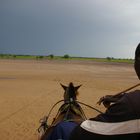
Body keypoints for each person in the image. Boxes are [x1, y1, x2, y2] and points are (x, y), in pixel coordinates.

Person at [69, 43, 140, 140]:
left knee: (61, 129)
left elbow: (79, 134)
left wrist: (124, 102)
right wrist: (120, 97)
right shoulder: (131, 101)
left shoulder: (130, 105)